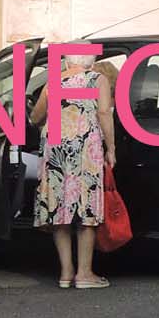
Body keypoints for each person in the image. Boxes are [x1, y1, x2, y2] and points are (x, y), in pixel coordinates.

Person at [29, 50, 116, 289]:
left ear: (68, 61)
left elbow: (36, 116)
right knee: (85, 209)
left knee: (60, 208)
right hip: (85, 149)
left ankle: (66, 273)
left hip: (55, 148)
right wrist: (112, 148)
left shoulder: (53, 81)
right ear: (91, 61)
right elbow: (104, 114)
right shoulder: (98, 80)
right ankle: (85, 273)